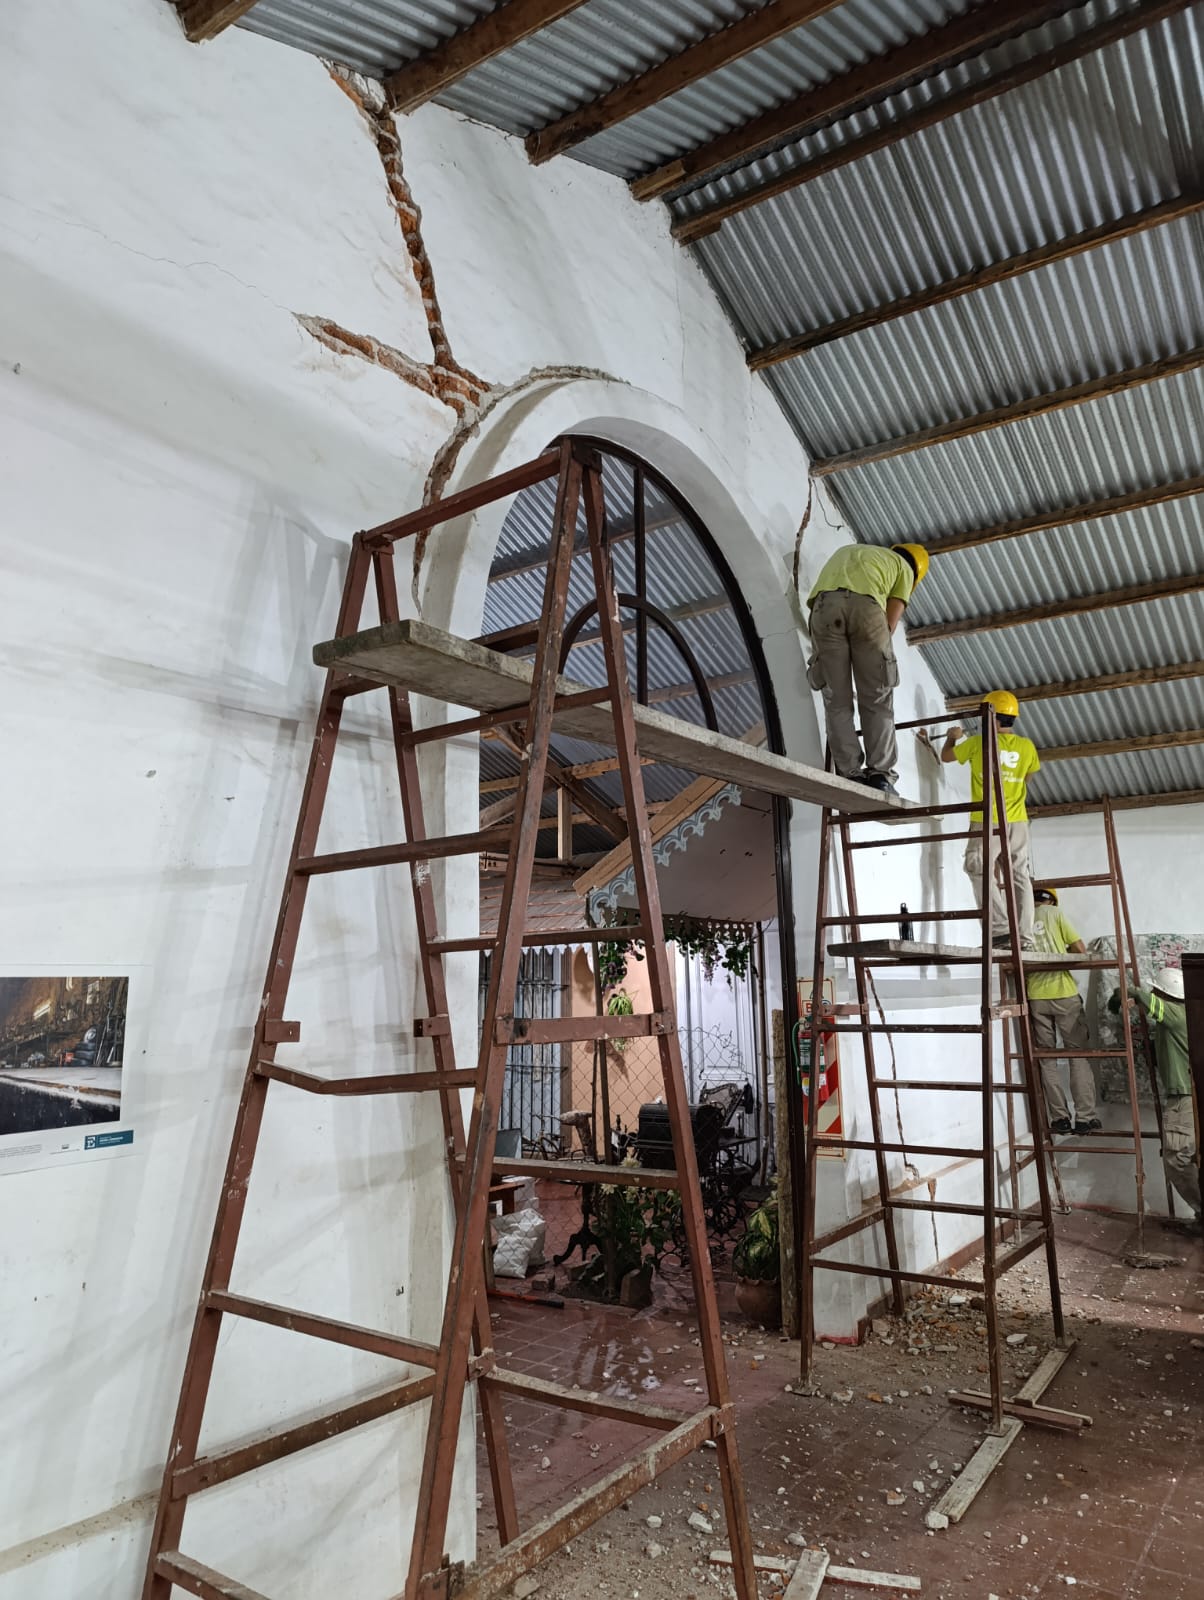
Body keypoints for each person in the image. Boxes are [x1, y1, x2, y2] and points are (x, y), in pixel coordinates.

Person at [805, 541, 929, 797]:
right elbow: (889, 623)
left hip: (824, 609)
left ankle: (850, 773)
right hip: (867, 610)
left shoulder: (851, 550)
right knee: (876, 699)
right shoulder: (904, 569)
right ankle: (880, 776)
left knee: (836, 700)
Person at [940, 691, 1038, 948]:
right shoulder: (1027, 747)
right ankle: (1024, 937)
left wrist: (951, 738)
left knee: (976, 866)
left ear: (991, 716)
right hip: (1017, 820)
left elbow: (946, 757)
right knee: (1018, 875)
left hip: (987, 819)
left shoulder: (979, 743)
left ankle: (1000, 930)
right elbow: (1028, 776)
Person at [1111, 966, 1200, 1223]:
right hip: (1186, 1096)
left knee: (1177, 1159)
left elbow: (1150, 1003)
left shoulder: (1176, 1014)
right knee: (1185, 1157)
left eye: (1156, 992)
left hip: (1183, 1098)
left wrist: (1128, 992)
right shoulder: (1175, 1021)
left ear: (1164, 994)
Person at [1028, 888, 1097, 1135]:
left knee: (1046, 1057)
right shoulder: (1054, 913)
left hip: (1035, 996)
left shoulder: (1022, 917)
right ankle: (1084, 1118)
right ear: (1052, 899)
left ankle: (1059, 1119)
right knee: (1077, 1054)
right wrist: (1059, 953)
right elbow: (1079, 949)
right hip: (1064, 993)